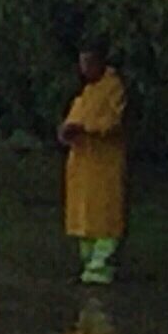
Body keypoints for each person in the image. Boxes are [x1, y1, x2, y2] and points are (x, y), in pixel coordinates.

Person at [59, 47, 127, 285]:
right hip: (82, 164)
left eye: (89, 63)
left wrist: (86, 128)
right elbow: (72, 120)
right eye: (81, 64)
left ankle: (101, 267)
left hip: (104, 165)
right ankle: (88, 266)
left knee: (105, 216)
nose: (84, 69)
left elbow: (113, 122)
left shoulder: (114, 89)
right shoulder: (86, 93)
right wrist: (68, 131)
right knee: (83, 219)